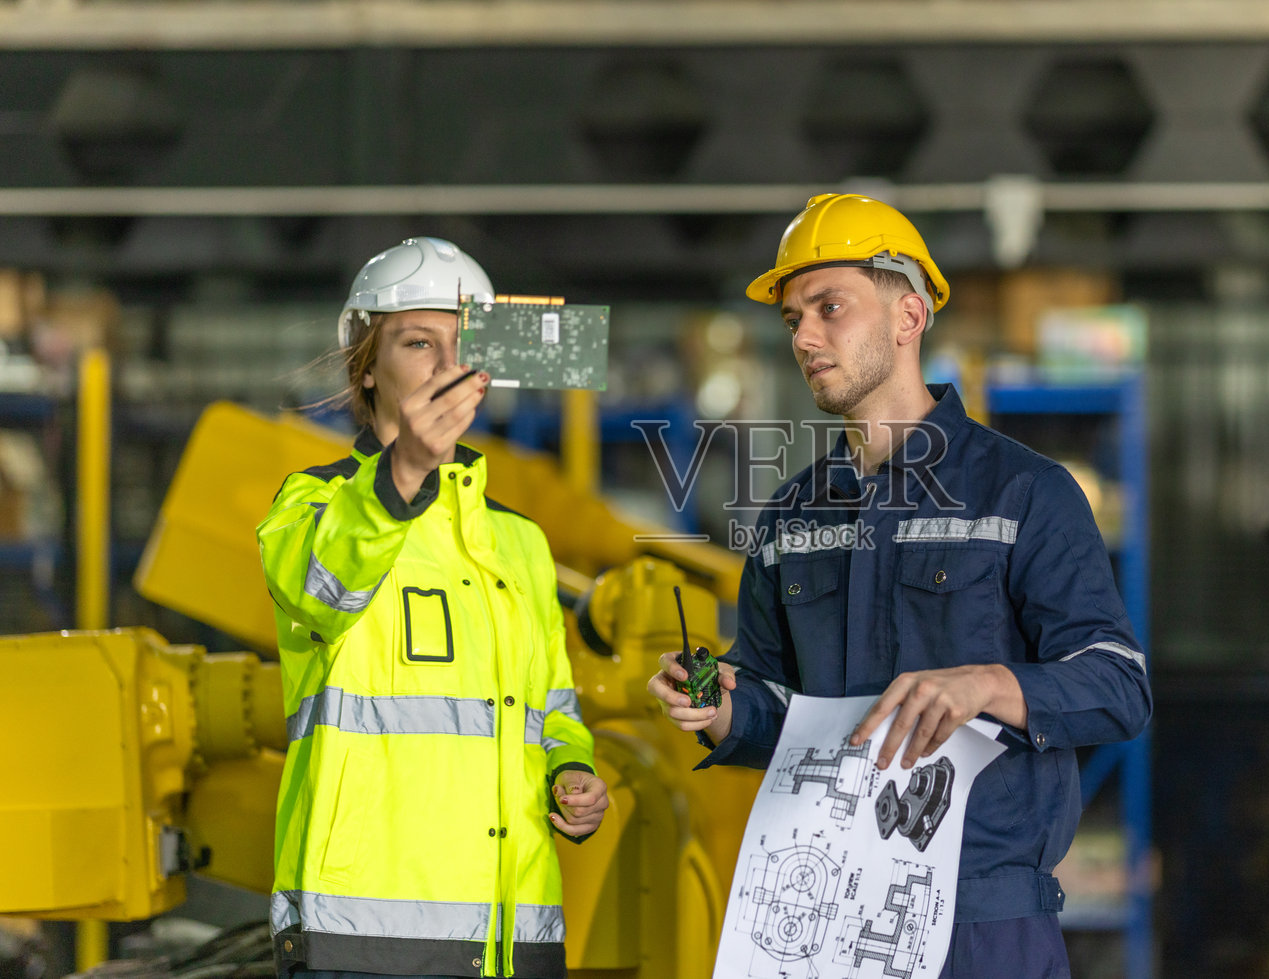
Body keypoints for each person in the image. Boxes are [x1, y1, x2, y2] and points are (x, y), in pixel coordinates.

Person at [647, 195, 1151, 978]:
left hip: (982, 920)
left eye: (829, 307)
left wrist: (985, 684)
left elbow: (1118, 685)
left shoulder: (1024, 493)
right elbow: (778, 705)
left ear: (908, 316)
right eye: (792, 320)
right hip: (828, 917)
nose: (805, 337)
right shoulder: (791, 517)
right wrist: (718, 706)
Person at [258, 237, 608, 979]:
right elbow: (323, 583)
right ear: (367, 365)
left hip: (513, 939)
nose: (445, 366)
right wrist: (407, 467)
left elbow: (552, 709)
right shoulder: (310, 507)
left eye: (461, 344)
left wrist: (571, 771)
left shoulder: (520, 543)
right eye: (418, 342)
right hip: (363, 940)